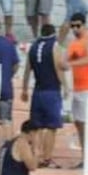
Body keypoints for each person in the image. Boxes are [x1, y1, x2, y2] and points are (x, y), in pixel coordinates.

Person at [21, 25, 64, 166]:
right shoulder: (54, 46)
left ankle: (36, 155)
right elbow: (58, 68)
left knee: (37, 127)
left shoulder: (33, 47)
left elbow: (27, 70)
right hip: (51, 91)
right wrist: (66, 86)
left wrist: (24, 89)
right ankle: (46, 158)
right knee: (51, 127)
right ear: (53, 33)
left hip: (37, 91)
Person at [66, 13, 88, 167]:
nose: (75, 29)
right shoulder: (73, 43)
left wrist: (70, 64)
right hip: (77, 87)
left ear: (84, 25)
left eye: (78, 25)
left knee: (86, 123)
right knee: (79, 123)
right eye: (72, 26)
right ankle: (85, 158)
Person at [0, 16, 16, 140]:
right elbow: (16, 64)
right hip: (5, 86)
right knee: (6, 120)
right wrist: (8, 75)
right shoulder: (8, 43)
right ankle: (8, 150)